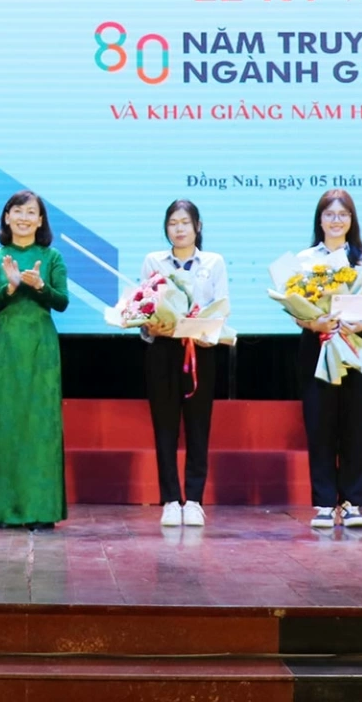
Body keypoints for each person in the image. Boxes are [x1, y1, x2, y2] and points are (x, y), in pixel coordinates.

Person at [0, 190, 70, 529]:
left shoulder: (52, 257)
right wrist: (10, 288)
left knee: (41, 427)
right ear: (6, 217)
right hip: (6, 350)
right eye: (18, 211)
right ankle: (2, 509)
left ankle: (41, 511)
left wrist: (41, 286)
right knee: (5, 424)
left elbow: (62, 302)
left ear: (41, 220)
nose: (24, 218)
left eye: (31, 212)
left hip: (42, 350)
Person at [295, 189, 362, 531]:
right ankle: (322, 503)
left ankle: (351, 502)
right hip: (317, 343)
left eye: (343, 215)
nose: (336, 220)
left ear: (352, 220)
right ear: (320, 220)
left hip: (356, 342)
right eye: (330, 214)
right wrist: (313, 323)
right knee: (319, 424)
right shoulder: (304, 259)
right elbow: (295, 307)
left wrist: (361, 323)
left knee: (355, 424)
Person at [137, 200, 229, 528]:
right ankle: (170, 500)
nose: (179, 229)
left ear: (197, 227)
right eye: (173, 223)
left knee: (198, 426)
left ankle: (193, 500)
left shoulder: (214, 262)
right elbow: (144, 305)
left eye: (185, 223)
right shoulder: (153, 261)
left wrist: (209, 332)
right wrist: (150, 326)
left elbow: (221, 306)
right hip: (163, 351)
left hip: (199, 351)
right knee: (165, 426)